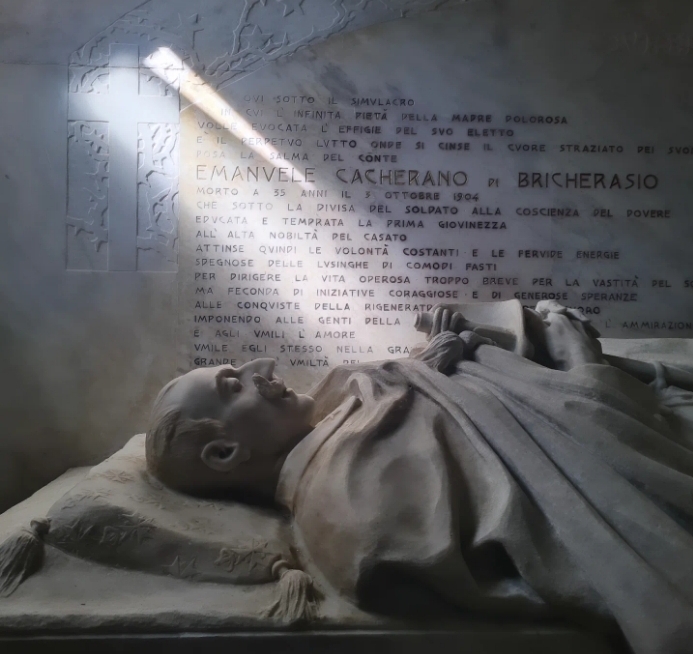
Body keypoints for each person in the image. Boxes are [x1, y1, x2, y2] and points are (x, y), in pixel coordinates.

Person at [145, 301, 693, 654]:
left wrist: (439, 356)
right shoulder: (345, 498)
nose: (262, 367)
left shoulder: (340, 416)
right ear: (225, 453)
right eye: (234, 385)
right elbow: (540, 472)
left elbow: (420, 401)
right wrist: (581, 367)